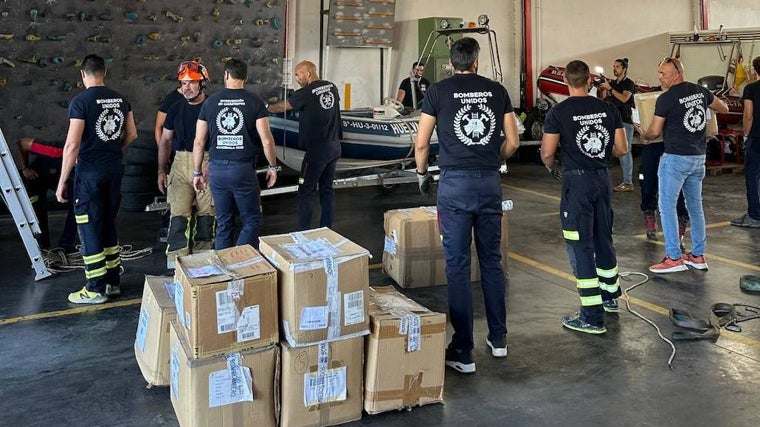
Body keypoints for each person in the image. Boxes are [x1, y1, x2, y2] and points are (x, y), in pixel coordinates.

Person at [415, 37, 520, 374]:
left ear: (451, 62)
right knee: (491, 261)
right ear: (476, 62)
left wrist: (421, 175)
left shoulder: (437, 92)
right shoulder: (497, 91)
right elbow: (514, 141)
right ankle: (499, 339)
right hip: (489, 183)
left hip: (454, 186)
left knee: (458, 267)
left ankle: (463, 351)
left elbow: (421, 144)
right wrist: (495, 158)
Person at [541, 60, 628, 335]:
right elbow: (622, 149)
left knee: (580, 244)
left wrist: (553, 167)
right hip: (602, 179)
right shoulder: (607, 108)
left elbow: (546, 152)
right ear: (589, 81)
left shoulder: (559, 112)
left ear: (566, 81)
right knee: (603, 236)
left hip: (576, 182)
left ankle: (591, 316)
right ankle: (610, 297)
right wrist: (600, 158)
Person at [56, 54, 138, 304]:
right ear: (105, 72)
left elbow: (72, 145)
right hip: (114, 169)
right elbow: (132, 134)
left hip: (90, 174)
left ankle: (94, 288)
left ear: (82, 75)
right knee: (107, 224)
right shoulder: (121, 100)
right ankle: (113, 282)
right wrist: (111, 151)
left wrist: (62, 182)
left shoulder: (80, 102)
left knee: (89, 226)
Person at [635, 57, 728, 273]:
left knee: (667, 207)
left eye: (663, 74)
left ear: (677, 74)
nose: (660, 77)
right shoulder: (700, 91)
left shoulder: (666, 99)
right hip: (698, 158)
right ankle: (697, 255)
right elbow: (722, 107)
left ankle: (674, 257)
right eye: (659, 73)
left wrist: (644, 135)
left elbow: (655, 131)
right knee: (695, 207)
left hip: (675, 159)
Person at [192, 59, 278, 250]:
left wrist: (197, 172)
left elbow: (198, 142)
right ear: (245, 78)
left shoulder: (210, 103)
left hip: (217, 170)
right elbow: (266, 139)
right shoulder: (255, 102)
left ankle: (224, 269)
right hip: (242, 169)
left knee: (224, 223)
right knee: (251, 220)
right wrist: (272, 167)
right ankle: (240, 262)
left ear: (226, 75)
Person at [267, 61, 341, 230]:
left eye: (298, 75)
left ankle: (303, 232)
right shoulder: (332, 87)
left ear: (308, 74)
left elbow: (282, 107)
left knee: (305, 189)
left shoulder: (306, 93)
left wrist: (265, 108)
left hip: (317, 151)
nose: (297, 79)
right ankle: (326, 228)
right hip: (334, 146)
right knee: (327, 189)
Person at [157, 61, 215, 263]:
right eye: (183, 83)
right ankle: (176, 263)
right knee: (178, 214)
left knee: (206, 215)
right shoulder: (175, 108)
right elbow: (165, 140)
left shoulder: (212, 106)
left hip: (207, 162)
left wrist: (211, 165)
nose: (187, 87)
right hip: (180, 163)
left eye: (192, 82)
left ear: (202, 83)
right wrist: (161, 170)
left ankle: (203, 260)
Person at [16, 137, 78, 253]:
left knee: (78, 205)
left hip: (65, 177)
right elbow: (22, 143)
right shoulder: (54, 149)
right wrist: (25, 168)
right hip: (38, 176)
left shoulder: (88, 160)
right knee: (37, 208)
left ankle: (66, 245)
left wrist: (64, 184)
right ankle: (42, 248)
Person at [730, 56, 760, 228]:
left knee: (753, 176)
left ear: (755, 71)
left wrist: (746, 135)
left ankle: (755, 215)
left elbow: (748, 115)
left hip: (757, 137)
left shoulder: (751, 89)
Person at [599, 58, 636, 192]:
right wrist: (604, 90)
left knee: (625, 151)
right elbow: (605, 99)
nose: (614, 69)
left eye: (617, 67)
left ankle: (628, 182)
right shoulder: (613, 83)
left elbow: (624, 98)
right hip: (612, 121)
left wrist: (610, 88)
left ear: (624, 69)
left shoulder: (629, 83)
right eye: (613, 66)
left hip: (625, 121)